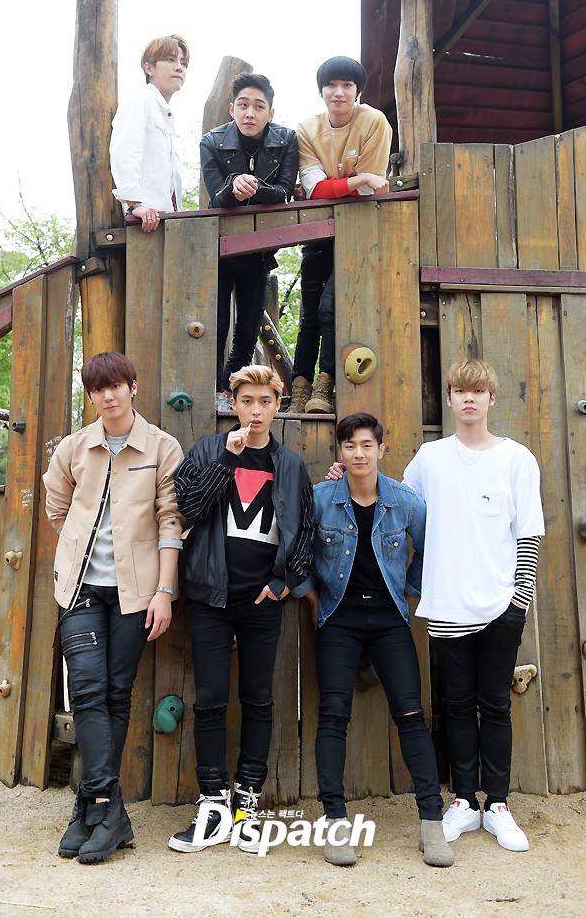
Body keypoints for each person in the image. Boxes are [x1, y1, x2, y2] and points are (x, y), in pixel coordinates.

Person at [43, 351, 185, 863]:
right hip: (80, 587)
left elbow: (172, 520)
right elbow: (56, 507)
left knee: (114, 694)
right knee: (85, 690)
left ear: (132, 387)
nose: (107, 396)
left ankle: (90, 809)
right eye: (97, 390)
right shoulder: (75, 448)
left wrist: (164, 590)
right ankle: (107, 804)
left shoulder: (162, 447)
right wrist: (79, 546)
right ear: (91, 396)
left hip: (136, 591)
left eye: (115, 386)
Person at [168, 365, 314, 854]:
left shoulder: (289, 465)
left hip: (261, 602)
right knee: (210, 698)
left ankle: (246, 803)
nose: (255, 410)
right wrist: (227, 461)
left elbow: (305, 529)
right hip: (210, 596)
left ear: (278, 406)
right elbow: (189, 507)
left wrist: (284, 582)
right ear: (233, 404)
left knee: (258, 698)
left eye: (264, 401)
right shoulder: (209, 449)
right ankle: (212, 803)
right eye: (246, 401)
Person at [402, 359, 544, 852]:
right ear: (448, 399)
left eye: (477, 391)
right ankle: (464, 801)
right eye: (460, 391)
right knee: (457, 704)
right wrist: (345, 474)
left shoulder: (516, 459)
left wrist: (518, 601)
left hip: (502, 602)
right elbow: (398, 507)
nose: (468, 398)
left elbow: (528, 531)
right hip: (446, 604)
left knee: (496, 704)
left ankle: (498, 805)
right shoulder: (430, 458)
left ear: (491, 399)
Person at [307, 412, 452, 868]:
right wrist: (312, 596)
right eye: (350, 445)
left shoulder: (403, 500)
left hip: (389, 618)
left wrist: (409, 592)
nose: (359, 453)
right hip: (339, 617)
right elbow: (297, 551)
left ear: (381, 449)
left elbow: (430, 548)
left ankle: (432, 823)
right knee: (333, 716)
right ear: (340, 451)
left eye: (367, 445)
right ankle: (335, 822)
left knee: (411, 715)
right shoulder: (321, 498)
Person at [288, 57, 392, 415]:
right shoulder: (306, 129)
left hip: (359, 228)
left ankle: (326, 384)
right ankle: (299, 387)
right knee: (309, 313)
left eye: (347, 85)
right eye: (331, 85)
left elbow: (367, 191)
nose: (339, 92)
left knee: (331, 307)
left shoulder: (374, 122)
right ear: (321, 91)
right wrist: (357, 177)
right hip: (317, 230)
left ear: (357, 91)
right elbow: (314, 189)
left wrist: (345, 184)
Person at [200, 73, 298, 412]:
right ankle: (213, 390)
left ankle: (233, 388)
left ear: (271, 112)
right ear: (232, 109)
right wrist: (233, 184)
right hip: (220, 250)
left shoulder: (286, 139)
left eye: (258, 106)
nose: (250, 113)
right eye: (243, 105)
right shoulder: (212, 142)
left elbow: (284, 192)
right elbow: (216, 198)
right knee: (215, 327)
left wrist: (253, 186)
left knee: (248, 329)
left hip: (258, 251)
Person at [110, 34, 189, 232]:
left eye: (183, 62)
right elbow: (124, 152)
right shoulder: (139, 99)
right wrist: (134, 204)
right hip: (144, 221)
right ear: (149, 68)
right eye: (171, 60)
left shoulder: (165, 112)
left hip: (164, 220)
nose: (179, 67)